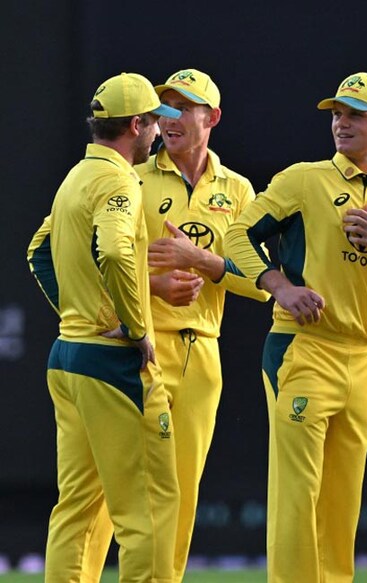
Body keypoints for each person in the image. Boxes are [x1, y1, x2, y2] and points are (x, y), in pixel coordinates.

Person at [223, 72, 367, 583]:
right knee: (296, 497)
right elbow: (239, 235)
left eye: (355, 114)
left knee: (342, 501)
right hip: (303, 348)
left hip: (362, 358)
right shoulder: (305, 179)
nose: (340, 123)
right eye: (336, 114)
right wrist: (279, 287)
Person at [26, 72, 181, 583]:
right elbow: (115, 250)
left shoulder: (75, 177)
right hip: (111, 364)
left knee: (74, 509)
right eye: (155, 123)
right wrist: (136, 328)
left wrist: (78, 312)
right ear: (136, 125)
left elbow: (38, 253)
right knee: (149, 513)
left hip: (69, 357)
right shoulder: (118, 180)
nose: (158, 133)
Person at [133, 68, 271, 580]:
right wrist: (153, 284)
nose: (170, 119)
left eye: (183, 108)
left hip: (201, 353)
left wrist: (204, 261)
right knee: (131, 484)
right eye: (164, 108)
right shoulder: (134, 177)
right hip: (139, 345)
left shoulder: (237, 189)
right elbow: (99, 260)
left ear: (211, 117)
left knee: (182, 487)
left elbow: (259, 281)